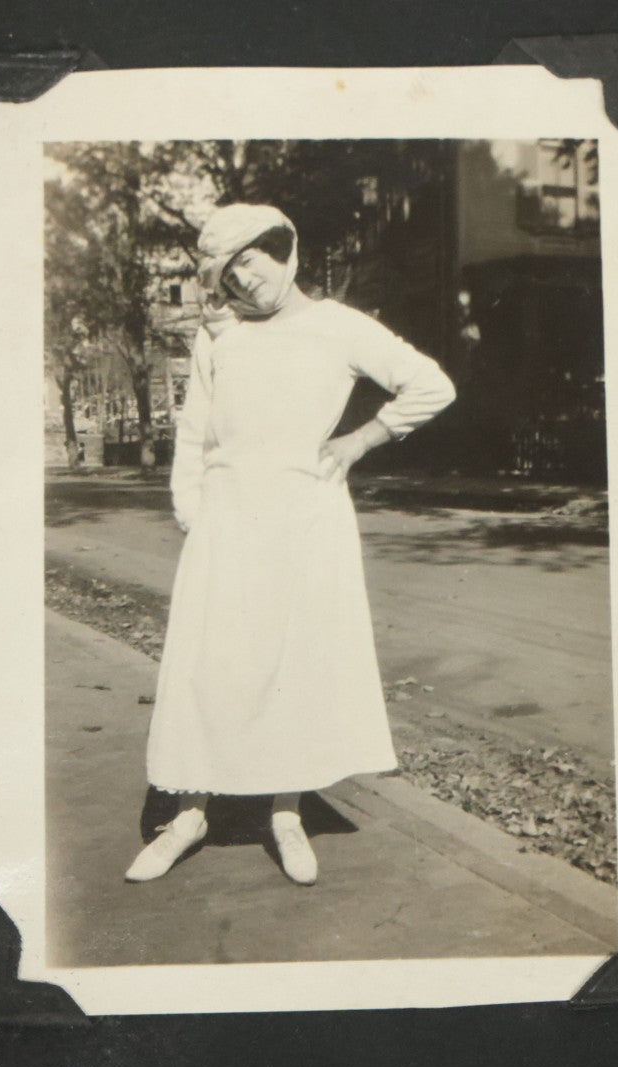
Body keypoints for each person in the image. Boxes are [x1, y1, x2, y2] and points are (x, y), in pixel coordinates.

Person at [125, 204, 455, 887]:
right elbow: (195, 432)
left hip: (307, 518)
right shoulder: (218, 337)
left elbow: (431, 385)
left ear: (282, 250)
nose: (243, 281)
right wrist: (194, 512)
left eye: (249, 261)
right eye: (227, 274)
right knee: (210, 664)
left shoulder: (339, 326)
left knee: (295, 661)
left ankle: (285, 813)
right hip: (227, 517)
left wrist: (363, 438)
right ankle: (189, 814)